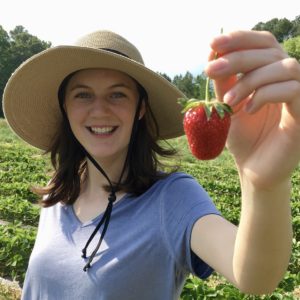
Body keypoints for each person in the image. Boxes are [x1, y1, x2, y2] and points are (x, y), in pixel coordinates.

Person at [2, 29, 299, 300]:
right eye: (83, 94)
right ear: (65, 108)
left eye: (118, 94)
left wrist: (263, 184)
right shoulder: (58, 195)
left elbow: (254, 275)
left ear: (140, 108)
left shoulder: (171, 199)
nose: (100, 109)